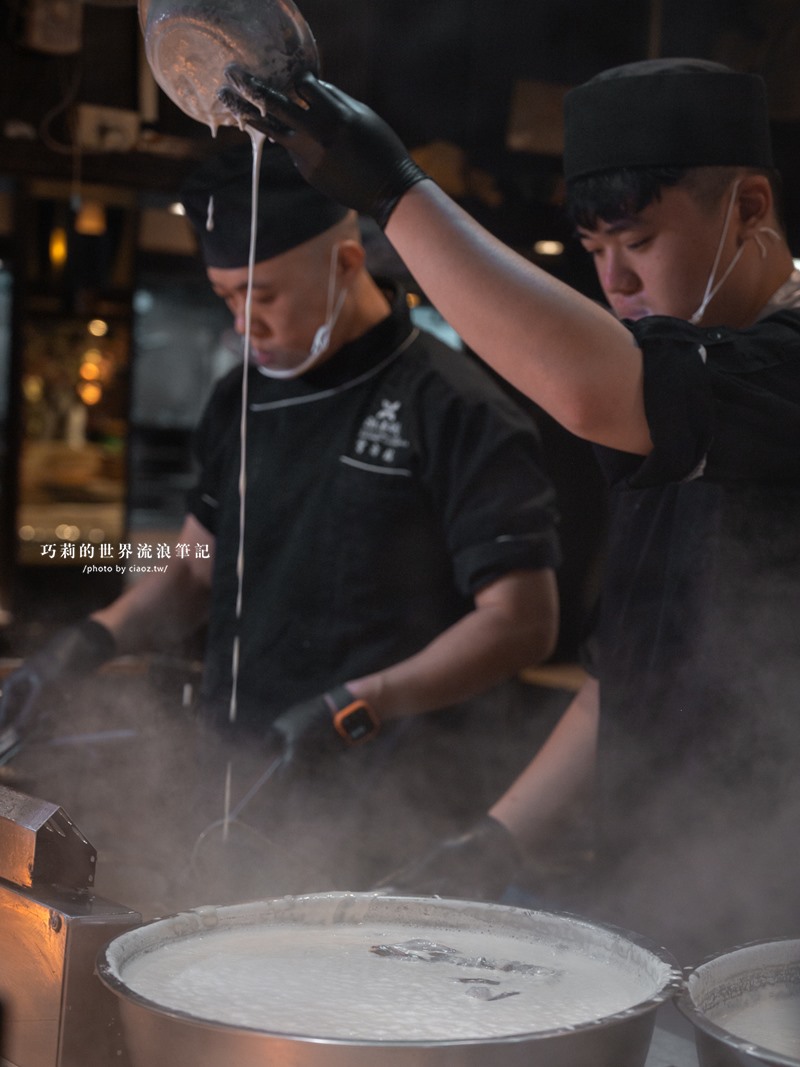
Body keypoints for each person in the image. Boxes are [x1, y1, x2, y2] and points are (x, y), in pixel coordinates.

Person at [217, 58, 800, 957]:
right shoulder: (679, 396)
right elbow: (624, 676)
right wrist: (494, 839)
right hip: (672, 883)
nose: (617, 285)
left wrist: (391, 190)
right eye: (596, 253)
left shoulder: (767, 370)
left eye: (638, 245)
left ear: (751, 208)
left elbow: (590, 386)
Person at [0, 142, 561, 899]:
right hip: (239, 788)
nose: (243, 323)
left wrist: (360, 704)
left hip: (395, 806)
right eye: (226, 296)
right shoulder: (240, 400)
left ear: (347, 263)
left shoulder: (455, 407)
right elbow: (195, 572)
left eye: (262, 294)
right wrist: (82, 644)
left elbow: (523, 621)